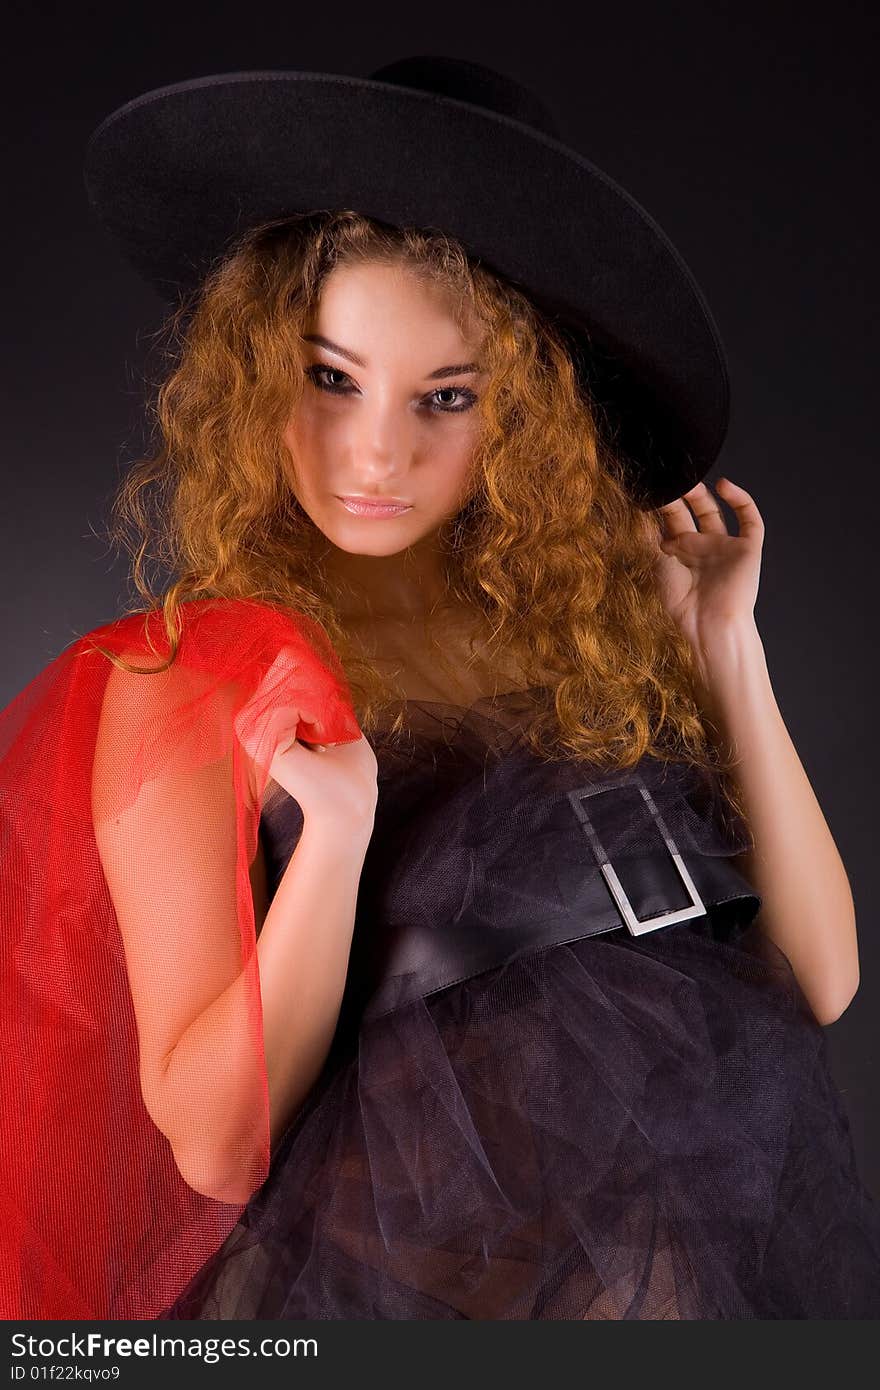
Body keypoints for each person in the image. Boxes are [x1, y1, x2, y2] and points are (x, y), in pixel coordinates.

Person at [2, 55, 879, 1321]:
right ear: (259, 374)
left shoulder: (592, 630)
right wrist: (336, 838)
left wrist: (725, 653)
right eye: (330, 376)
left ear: (524, 414)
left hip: (679, 1280)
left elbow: (817, 982)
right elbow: (213, 1146)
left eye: (447, 398)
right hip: (394, 1296)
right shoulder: (195, 669)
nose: (376, 453)